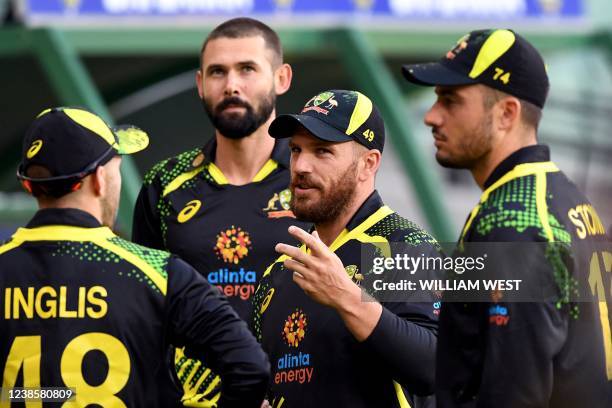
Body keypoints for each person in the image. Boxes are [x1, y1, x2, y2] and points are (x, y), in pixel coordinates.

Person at [0, 107, 269, 407]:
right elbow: (250, 367)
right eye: (117, 165)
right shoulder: (159, 272)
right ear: (100, 178)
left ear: (30, 185)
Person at [403, 29, 612, 407]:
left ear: (506, 114)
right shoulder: (564, 197)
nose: (432, 116)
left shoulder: (514, 222)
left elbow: (513, 393)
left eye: (450, 100)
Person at [132, 17, 308, 406]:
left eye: (247, 69)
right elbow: (145, 312)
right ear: (200, 84)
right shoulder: (165, 183)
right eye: (217, 72)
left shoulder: (313, 176)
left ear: (282, 78)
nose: (231, 85)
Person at [253, 89, 439, 407]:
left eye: (322, 151)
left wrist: (347, 297)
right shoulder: (277, 272)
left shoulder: (406, 247)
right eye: (296, 150)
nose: (300, 166)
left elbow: (437, 368)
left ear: (369, 164)